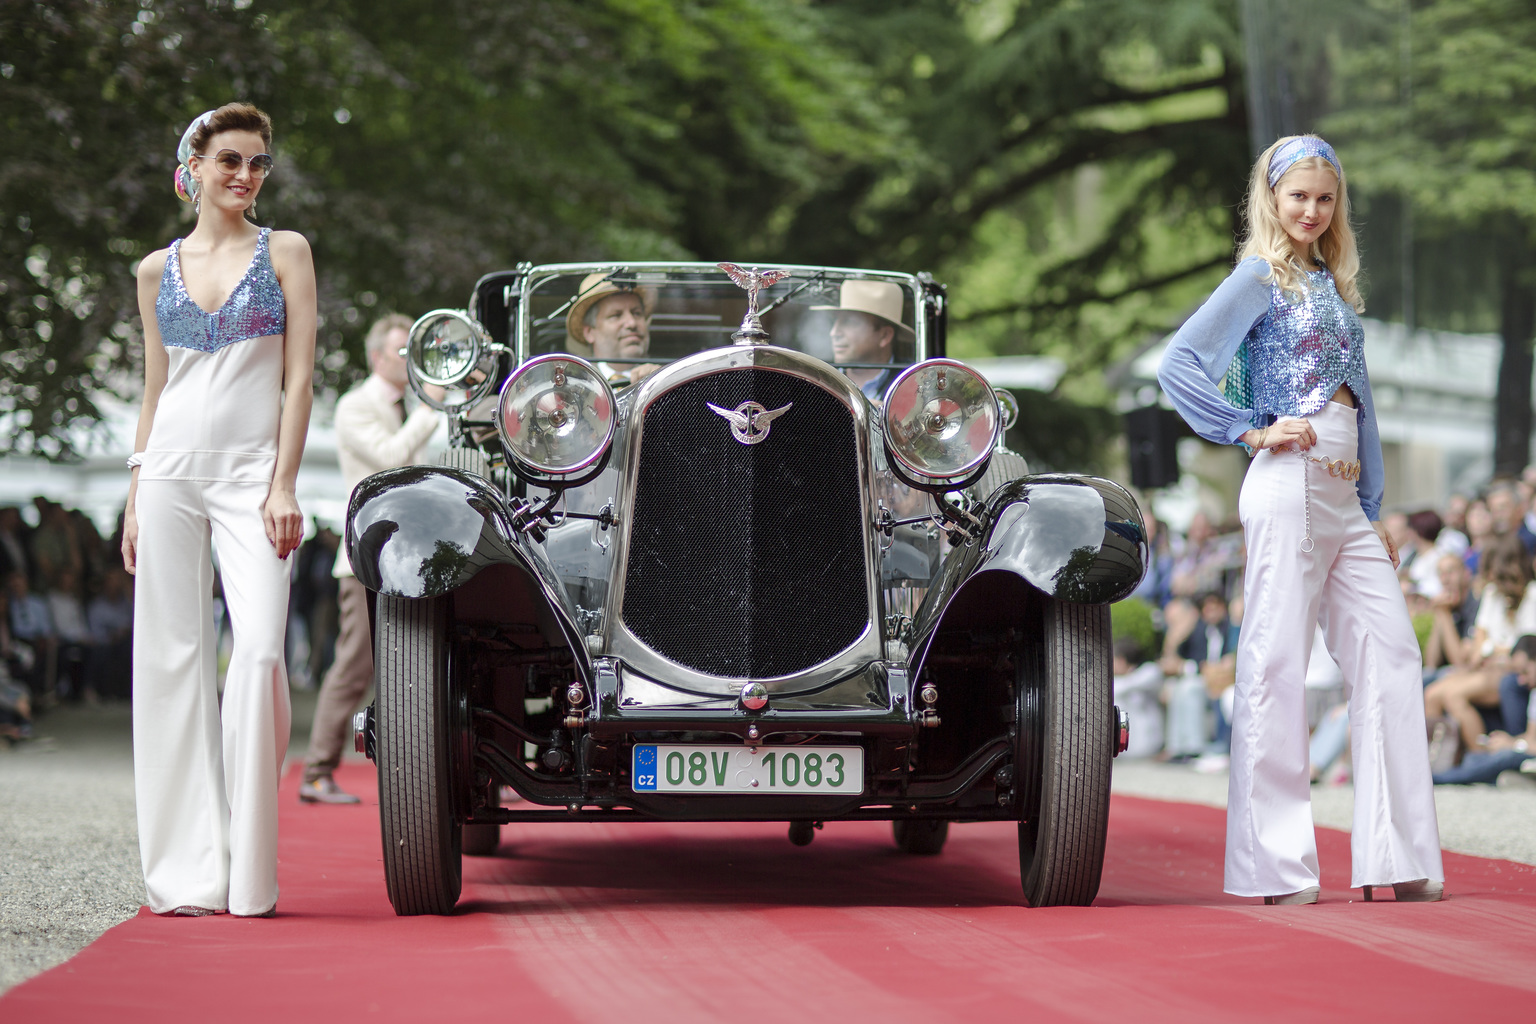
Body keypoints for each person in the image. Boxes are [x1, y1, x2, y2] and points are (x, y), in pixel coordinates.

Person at [1157, 134, 1443, 904]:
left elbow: (1365, 405)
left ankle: (1397, 855)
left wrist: (1373, 504)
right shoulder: (1261, 277)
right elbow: (1179, 363)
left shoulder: (1332, 285)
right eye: (1298, 197)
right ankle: (1273, 867)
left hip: (1344, 498)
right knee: (1275, 662)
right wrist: (1251, 425)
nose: (1312, 211)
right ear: (1272, 200)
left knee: (1391, 655)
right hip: (1287, 483)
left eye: (1325, 198)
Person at [122, 103, 316, 918]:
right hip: (167, 474)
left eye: (258, 163)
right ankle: (187, 874)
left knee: (263, 656)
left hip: (250, 481)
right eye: (230, 160)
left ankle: (248, 868)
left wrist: (283, 483)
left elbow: (299, 378)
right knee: (169, 666)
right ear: (193, 167)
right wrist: (135, 494)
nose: (245, 175)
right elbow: (156, 387)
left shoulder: (287, 252)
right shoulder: (149, 270)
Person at [299, 313, 442, 804]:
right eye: (403, 351)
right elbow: (388, 461)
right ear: (377, 356)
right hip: (361, 561)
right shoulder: (355, 405)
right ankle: (317, 770)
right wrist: (433, 411)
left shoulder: (416, 405)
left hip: (414, 560)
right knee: (354, 667)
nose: (410, 360)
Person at [812, 280, 911, 402]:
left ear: (884, 335)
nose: (834, 333)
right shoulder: (817, 381)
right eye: (834, 321)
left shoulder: (913, 386)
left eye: (849, 322)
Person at [565, 274, 659, 387]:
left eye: (637, 313)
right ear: (589, 332)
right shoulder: (572, 386)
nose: (632, 323)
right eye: (616, 315)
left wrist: (662, 384)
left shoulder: (663, 380)